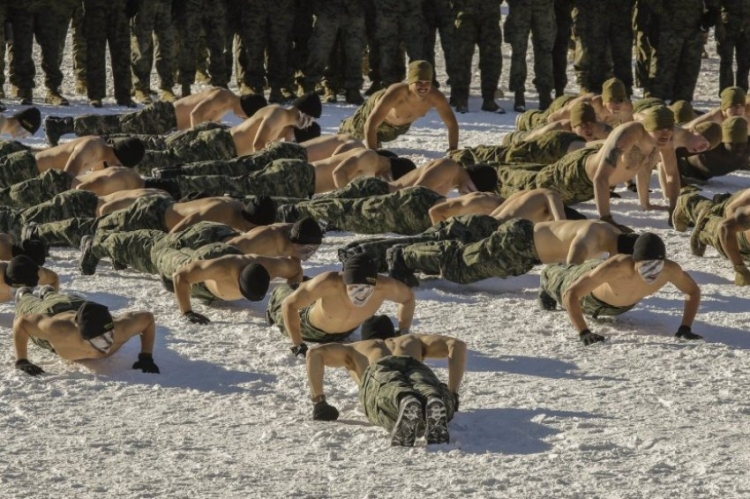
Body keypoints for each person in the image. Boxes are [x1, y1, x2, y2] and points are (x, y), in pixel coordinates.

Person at [497, 106, 706, 230]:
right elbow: (600, 178)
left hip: (591, 189)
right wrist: (607, 219)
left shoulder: (665, 139)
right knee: (517, 182)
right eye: (659, 132)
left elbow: (671, 175)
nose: (665, 138)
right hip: (575, 175)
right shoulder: (628, 134)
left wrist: (673, 210)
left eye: (668, 133)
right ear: (646, 129)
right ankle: (483, 167)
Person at [306, 319, 464, 446]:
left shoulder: (356, 347)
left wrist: (320, 402)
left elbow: (314, 352)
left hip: (380, 370)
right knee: (428, 387)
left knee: (389, 391)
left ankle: (404, 400)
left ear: (366, 337)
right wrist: (453, 393)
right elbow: (457, 345)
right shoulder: (412, 339)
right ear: (392, 334)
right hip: (414, 365)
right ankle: (432, 398)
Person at [538, 232, 702, 345]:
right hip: (587, 299)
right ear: (634, 261)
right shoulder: (617, 267)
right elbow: (571, 293)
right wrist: (584, 332)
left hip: (619, 305)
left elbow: (693, 291)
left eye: (656, 266)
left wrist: (685, 327)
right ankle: (547, 282)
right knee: (556, 276)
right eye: (646, 266)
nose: (652, 273)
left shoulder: (670, 270)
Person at [385, 218, 635, 287]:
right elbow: (568, 272)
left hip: (524, 247)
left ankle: (412, 255)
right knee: (460, 267)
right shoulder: (591, 240)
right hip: (518, 243)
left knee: (464, 262)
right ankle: (403, 255)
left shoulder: (611, 232)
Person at [267, 254, 415, 354]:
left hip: (345, 333)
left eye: (366, 288)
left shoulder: (385, 287)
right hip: (309, 329)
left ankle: (306, 284)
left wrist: (403, 331)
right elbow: (289, 305)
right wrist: (298, 344)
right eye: (354, 288)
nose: (360, 294)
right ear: (344, 281)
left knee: (306, 288)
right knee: (283, 292)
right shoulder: (329, 282)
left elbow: (408, 299)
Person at [22, 194, 278, 249]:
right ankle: (38, 231)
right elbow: (185, 224)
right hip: (150, 215)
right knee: (93, 228)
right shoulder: (220, 210)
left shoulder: (237, 207)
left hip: (159, 212)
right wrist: (167, 246)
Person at [12, 288, 159, 376]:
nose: (106, 344)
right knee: (28, 303)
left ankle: (49, 292)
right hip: (52, 311)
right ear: (80, 334)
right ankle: (25, 294)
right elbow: (22, 323)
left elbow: (148, 318)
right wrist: (22, 360)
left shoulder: (121, 328)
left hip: (80, 305)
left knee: (61, 298)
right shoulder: (56, 329)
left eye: (109, 335)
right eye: (97, 340)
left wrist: (146, 356)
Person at [43, 91, 268, 146]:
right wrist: (194, 136)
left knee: (118, 128)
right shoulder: (223, 97)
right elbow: (195, 114)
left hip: (166, 121)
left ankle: (64, 127)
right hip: (163, 115)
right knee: (114, 124)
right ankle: (62, 125)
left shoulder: (227, 103)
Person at [338, 60, 458, 150]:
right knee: (353, 134)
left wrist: (453, 151)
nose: (423, 87)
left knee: (385, 137)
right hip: (374, 112)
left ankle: (376, 139)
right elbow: (370, 124)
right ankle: (345, 125)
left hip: (398, 127)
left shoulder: (436, 97)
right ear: (410, 83)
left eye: (427, 83)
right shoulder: (396, 93)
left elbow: (452, 125)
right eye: (418, 82)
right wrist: (373, 155)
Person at [673, 187, 750, 285]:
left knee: (725, 208)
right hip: (739, 238)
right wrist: (740, 269)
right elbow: (726, 226)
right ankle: (689, 202)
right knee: (716, 224)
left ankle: (721, 201)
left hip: (740, 209)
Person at [677, 117, 749, 184]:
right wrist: (679, 181)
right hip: (687, 169)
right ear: (723, 141)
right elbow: (674, 150)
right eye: (731, 143)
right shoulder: (709, 143)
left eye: (742, 143)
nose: (738, 147)